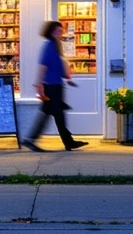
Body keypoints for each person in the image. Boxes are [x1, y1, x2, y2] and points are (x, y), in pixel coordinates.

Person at [22, 21, 87, 152]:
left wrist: (66, 75)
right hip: (51, 87)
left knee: (56, 115)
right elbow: (43, 66)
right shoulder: (49, 46)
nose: (60, 32)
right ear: (50, 32)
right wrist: (38, 85)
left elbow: (57, 65)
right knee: (54, 114)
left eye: (61, 30)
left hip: (56, 84)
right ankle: (31, 140)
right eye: (57, 31)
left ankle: (68, 142)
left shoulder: (56, 45)